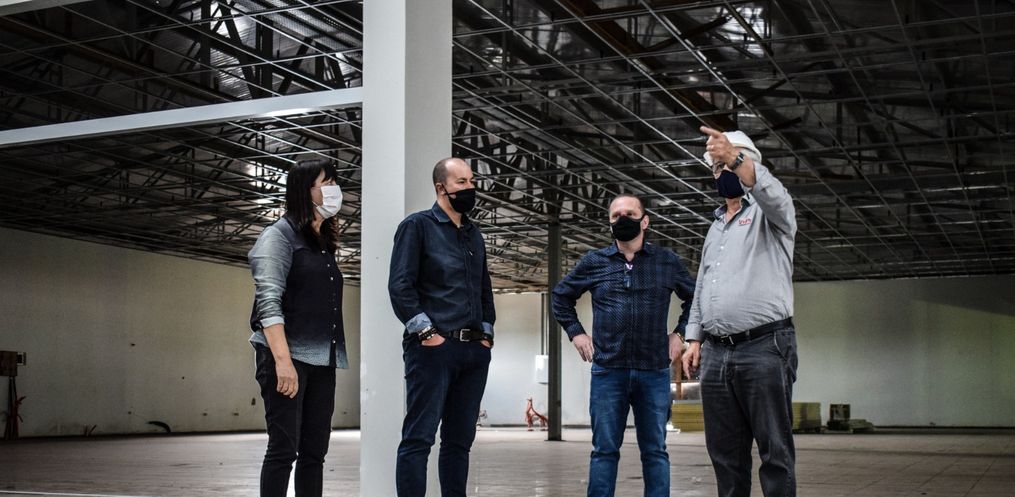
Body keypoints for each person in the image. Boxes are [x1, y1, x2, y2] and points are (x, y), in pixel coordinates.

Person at [552, 193, 695, 497]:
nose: (622, 219)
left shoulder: (666, 262)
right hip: (608, 372)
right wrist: (576, 333)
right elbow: (560, 297)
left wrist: (680, 334)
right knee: (604, 451)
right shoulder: (594, 262)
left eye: (629, 214)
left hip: (653, 371)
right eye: (616, 215)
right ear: (609, 223)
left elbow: (696, 299)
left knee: (655, 451)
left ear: (645, 221)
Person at [682, 127, 799, 497]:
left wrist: (734, 157)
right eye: (717, 168)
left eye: (728, 165)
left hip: (765, 347)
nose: (722, 173)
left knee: (774, 451)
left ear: (748, 163)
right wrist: (694, 338)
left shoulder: (773, 216)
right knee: (725, 455)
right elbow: (703, 285)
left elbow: (774, 195)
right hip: (716, 353)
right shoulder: (715, 228)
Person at [389, 157, 495, 497]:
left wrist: (486, 335)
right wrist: (427, 334)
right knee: (419, 439)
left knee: (459, 442)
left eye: (471, 181)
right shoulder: (417, 226)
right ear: (441, 188)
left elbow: (484, 289)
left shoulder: (473, 235)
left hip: (473, 352)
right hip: (432, 351)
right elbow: (400, 286)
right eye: (461, 182)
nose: (470, 188)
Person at [247, 159, 348, 497]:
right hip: (286, 358)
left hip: (322, 361)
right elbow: (268, 303)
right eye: (326, 183)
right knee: (283, 450)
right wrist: (283, 362)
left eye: (335, 182)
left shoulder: (322, 243)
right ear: (304, 191)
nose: (334, 190)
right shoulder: (278, 236)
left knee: (314, 454)